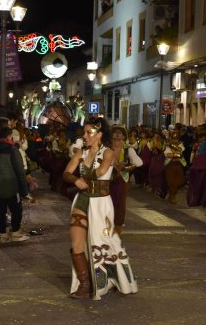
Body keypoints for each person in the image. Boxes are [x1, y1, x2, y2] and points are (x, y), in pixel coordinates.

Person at [62, 117, 138, 300]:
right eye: (84, 132)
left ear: (100, 135)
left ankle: (110, 279)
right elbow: (66, 173)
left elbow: (101, 171)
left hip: (101, 204)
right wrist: (74, 180)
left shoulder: (108, 153)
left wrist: (83, 178)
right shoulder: (80, 152)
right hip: (82, 201)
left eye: (89, 133)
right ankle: (85, 283)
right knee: (76, 243)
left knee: (104, 244)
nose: (85, 136)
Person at [0, 126, 30, 244]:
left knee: (0, 211)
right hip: (11, 185)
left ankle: (3, 235)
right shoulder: (12, 149)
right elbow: (19, 170)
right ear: (9, 136)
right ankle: (15, 233)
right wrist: (24, 190)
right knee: (16, 210)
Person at [109, 124, 143, 234]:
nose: (117, 134)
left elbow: (138, 163)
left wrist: (126, 167)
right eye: (115, 132)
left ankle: (118, 225)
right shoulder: (106, 147)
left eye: (120, 132)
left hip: (122, 178)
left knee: (120, 202)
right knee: (106, 201)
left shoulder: (128, 149)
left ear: (124, 136)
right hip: (106, 178)